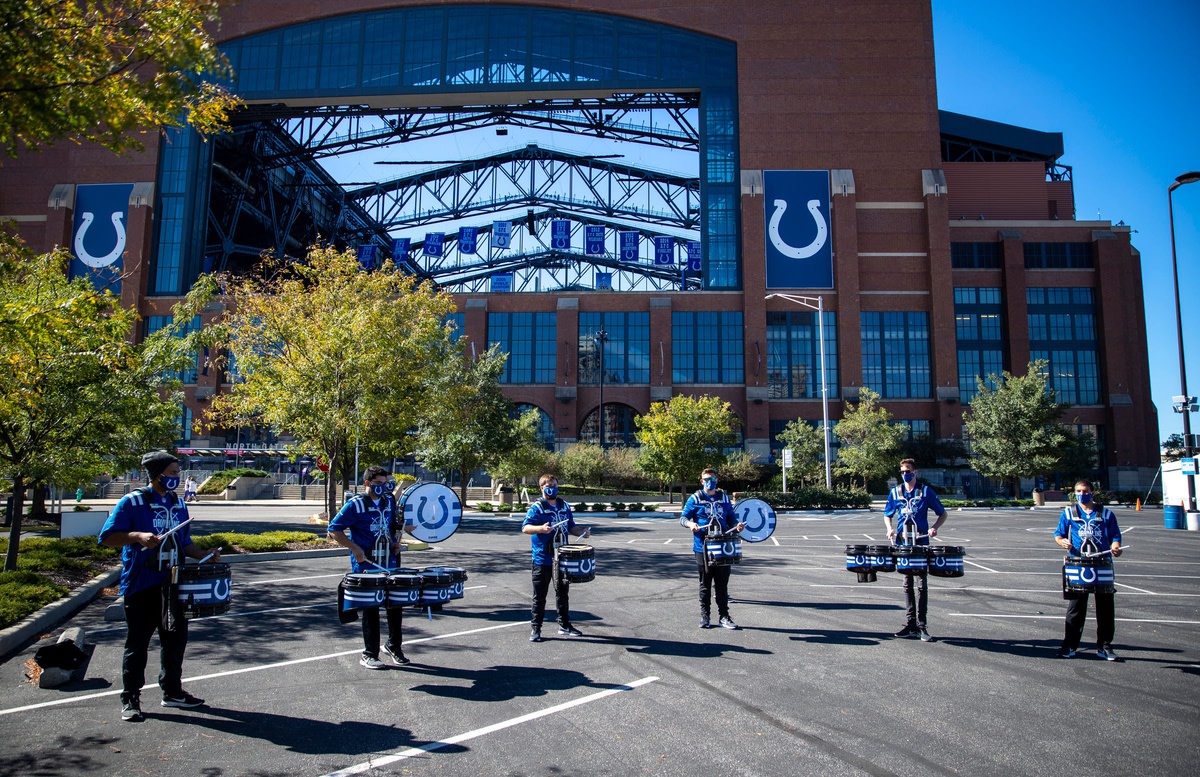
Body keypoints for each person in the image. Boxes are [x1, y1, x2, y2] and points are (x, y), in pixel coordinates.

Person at [98, 450, 219, 722]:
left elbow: (185, 542)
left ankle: (172, 692)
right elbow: (107, 537)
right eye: (173, 473)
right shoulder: (133, 502)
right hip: (141, 584)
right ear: (157, 474)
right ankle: (130, 698)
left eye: (178, 473)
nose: (178, 477)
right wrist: (137, 536)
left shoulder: (178, 503)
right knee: (138, 644)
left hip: (175, 584)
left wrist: (203, 554)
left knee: (175, 641)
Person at [329, 465, 413, 669]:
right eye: (378, 484)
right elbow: (334, 530)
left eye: (386, 484)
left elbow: (392, 524)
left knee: (395, 605)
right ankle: (369, 654)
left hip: (390, 563)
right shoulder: (355, 505)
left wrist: (396, 542)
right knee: (371, 609)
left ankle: (394, 645)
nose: (383, 488)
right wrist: (355, 548)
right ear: (367, 483)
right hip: (367, 565)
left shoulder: (389, 501)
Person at [1054, 479, 1123, 660]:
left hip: (1102, 564)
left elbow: (1115, 535)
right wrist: (1063, 542)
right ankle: (1069, 645)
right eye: (1078, 491)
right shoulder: (1069, 513)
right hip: (1079, 564)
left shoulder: (1106, 514)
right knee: (1076, 607)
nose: (1081, 494)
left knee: (1105, 607)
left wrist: (1116, 547)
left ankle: (1105, 646)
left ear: (1092, 492)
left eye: (1084, 491)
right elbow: (1058, 534)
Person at [882, 458, 947, 642]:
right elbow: (887, 514)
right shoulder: (895, 492)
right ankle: (910, 624)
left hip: (920, 543)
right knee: (906, 584)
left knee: (921, 584)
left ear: (915, 472)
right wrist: (889, 529)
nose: (905, 474)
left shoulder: (925, 491)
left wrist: (934, 527)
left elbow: (943, 513)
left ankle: (922, 626)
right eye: (902, 472)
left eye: (908, 471)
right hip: (903, 544)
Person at [522, 474, 590, 642]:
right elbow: (525, 527)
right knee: (539, 595)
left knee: (562, 593)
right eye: (547, 485)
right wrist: (540, 528)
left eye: (553, 484)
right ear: (541, 488)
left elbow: (571, 527)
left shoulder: (564, 506)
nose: (551, 487)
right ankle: (536, 628)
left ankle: (564, 625)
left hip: (561, 558)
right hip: (542, 558)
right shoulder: (537, 507)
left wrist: (582, 532)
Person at [680, 467, 745, 630]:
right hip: (702, 547)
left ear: (717, 481)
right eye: (707, 479)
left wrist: (737, 526)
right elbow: (683, 518)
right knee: (705, 583)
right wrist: (691, 524)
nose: (710, 482)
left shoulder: (723, 497)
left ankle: (724, 616)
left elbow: (731, 518)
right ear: (702, 481)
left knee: (722, 584)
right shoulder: (695, 498)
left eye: (713, 479)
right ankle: (705, 616)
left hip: (723, 546)